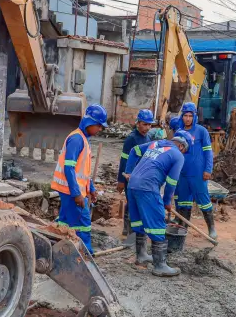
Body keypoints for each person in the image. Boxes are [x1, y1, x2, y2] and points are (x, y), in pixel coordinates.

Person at [123, 130, 191, 277]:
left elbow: (134, 151)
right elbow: (172, 183)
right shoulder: (177, 155)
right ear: (181, 146)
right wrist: (166, 202)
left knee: (139, 222)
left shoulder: (155, 143)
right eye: (185, 150)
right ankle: (160, 265)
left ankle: (141, 255)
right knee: (158, 224)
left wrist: (128, 173)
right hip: (148, 187)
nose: (184, 153)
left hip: (132, 184)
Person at [51, 104, 109, 253]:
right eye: (98, 126)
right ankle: (84, 251)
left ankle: (59, 245)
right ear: (89, 122)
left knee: (65, 220)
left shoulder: (83, 138)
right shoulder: (77, 139)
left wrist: (91, 189)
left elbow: (83, 171)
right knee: (83, 221)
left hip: (72, 188)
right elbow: (68, 168)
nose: (100, 129)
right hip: (71, 190)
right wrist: (76, 193)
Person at [174, 102, 217, 239]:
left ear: (194, 117)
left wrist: (208, 169)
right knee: (183, 202)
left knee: (203, 200)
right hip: (182, 174)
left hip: (198, 173)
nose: (187, 118)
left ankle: (211, 229)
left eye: (190, 116)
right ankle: (182, 230)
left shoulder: (201, 131)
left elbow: (208, 152)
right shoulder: (178, 131)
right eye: (185, 115)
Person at [117, 109, 154, 245]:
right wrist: (121, 180)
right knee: (132, 202)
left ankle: (129, 229)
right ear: (138, 123)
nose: (147, 127)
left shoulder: (148, 138)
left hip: (141, 177)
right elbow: (124, 160)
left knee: (133, 202)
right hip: (129, 177)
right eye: (145, 124)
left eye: (150, 125)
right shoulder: (131, 139)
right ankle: (129, 231)